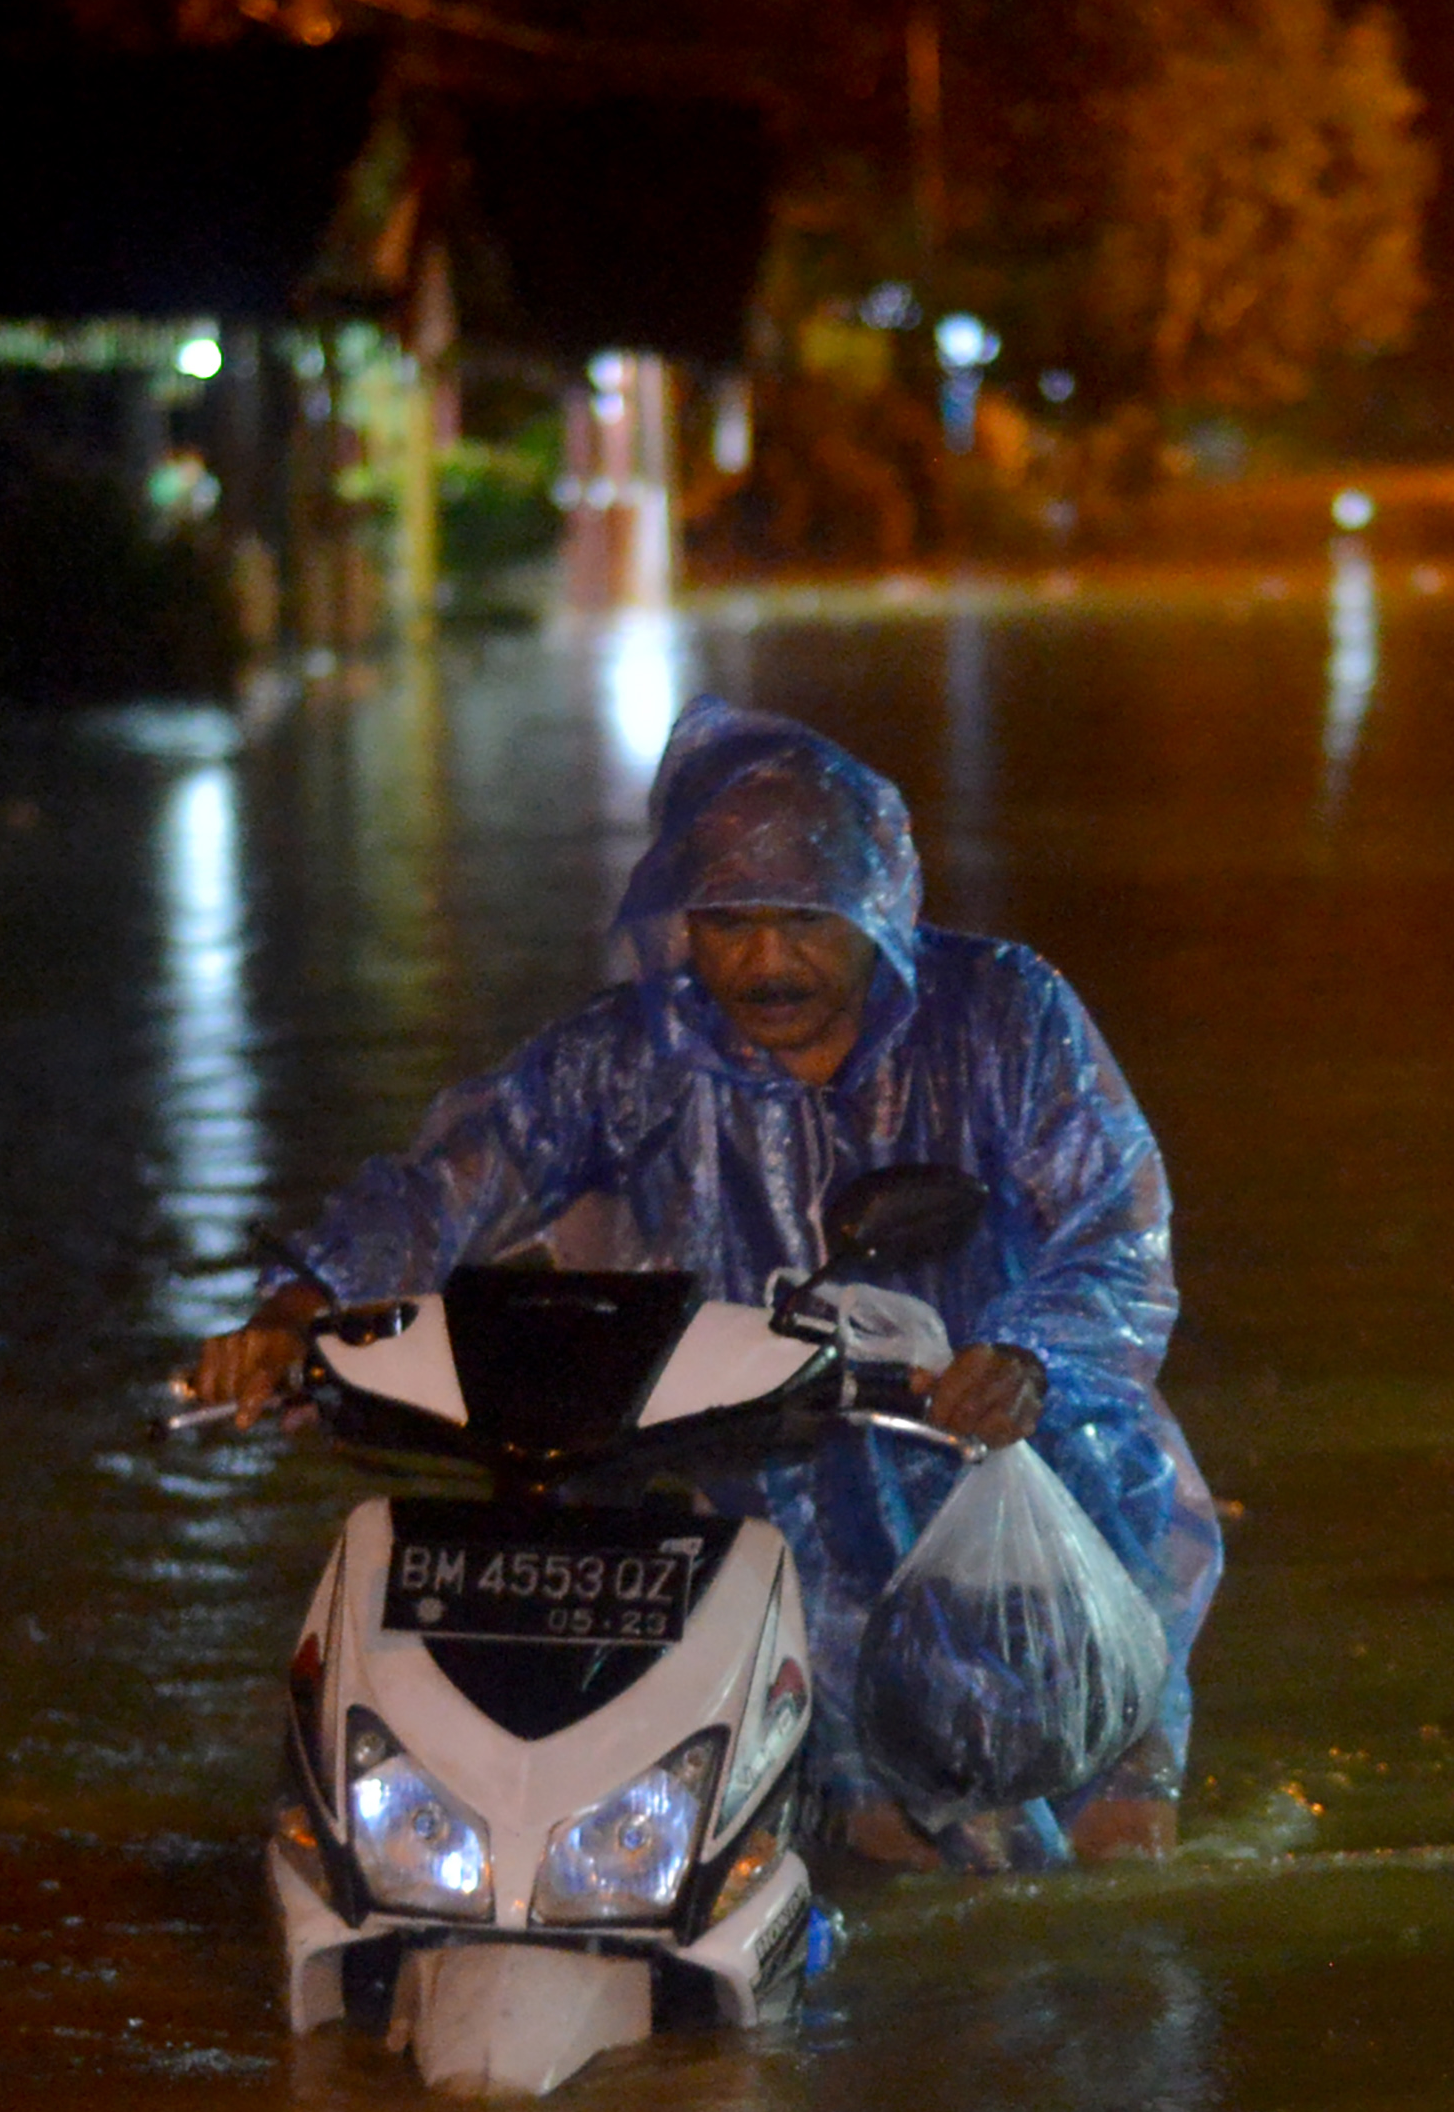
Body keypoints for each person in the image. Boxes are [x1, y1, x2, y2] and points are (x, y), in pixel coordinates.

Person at [182, 698, 1219, 1868]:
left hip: (1041, 1513)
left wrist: (1030, 1354)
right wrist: (297, 1311)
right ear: (681, 919)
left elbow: (1115, 1217)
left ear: (875, 908)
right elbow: (450, 1182)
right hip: (798, 1538)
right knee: (884, 1866)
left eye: (805, 920)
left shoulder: (1002, 1017)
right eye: (729, 920)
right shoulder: (629, 1059)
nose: (765, 962)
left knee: (1113, 1855)